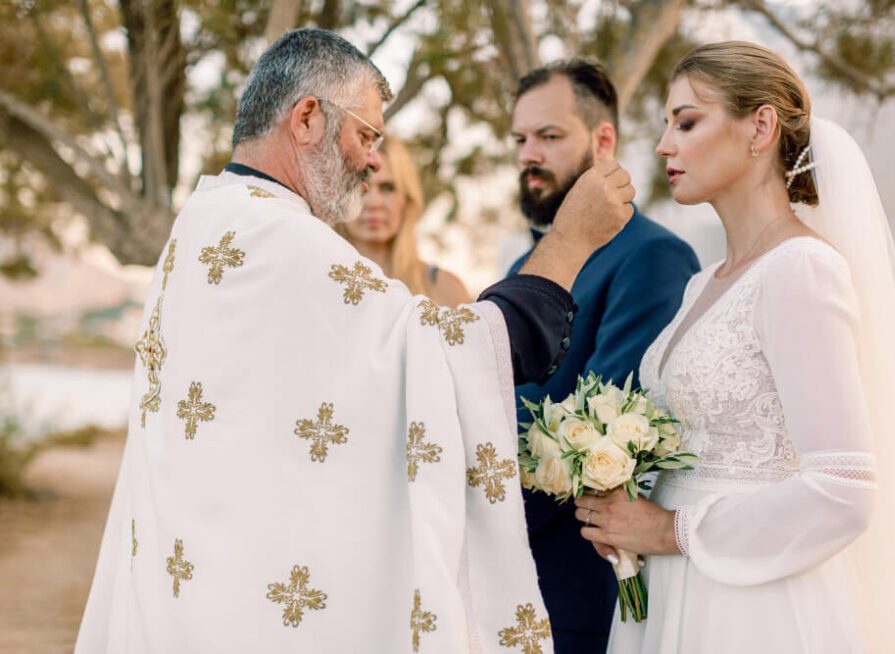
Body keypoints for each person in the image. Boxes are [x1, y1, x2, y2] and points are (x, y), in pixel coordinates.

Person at [75, 29, 637, 653]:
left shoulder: (208, 220)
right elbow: (459, 353)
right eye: (367, 135)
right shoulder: (280, 239)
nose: (373, 160)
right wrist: (570, 240)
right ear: (309, 117)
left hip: (204, 592)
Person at [573, 41, 895, 653]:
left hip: (752, 609)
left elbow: (844, 487)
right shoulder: (699, 285)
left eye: (686, 121)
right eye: (666, 125)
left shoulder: (801, 272)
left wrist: (672, 529)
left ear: (760, 126)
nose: (664, 145)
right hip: (671, 595)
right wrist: (627, 503)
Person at [507, 59, 700, 654]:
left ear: (603, 140)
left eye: (549, 136)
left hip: (583, 595)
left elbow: (597, 427)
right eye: (519, 139)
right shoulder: (527, 268)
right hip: (513, 583)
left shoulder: (654, 258)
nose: (527, 155)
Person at [334, 135, 470, 306]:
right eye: (360, 186)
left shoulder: (445, 289)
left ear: (407, 198)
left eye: (388, 188)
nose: (374, 203)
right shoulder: (317, 281)